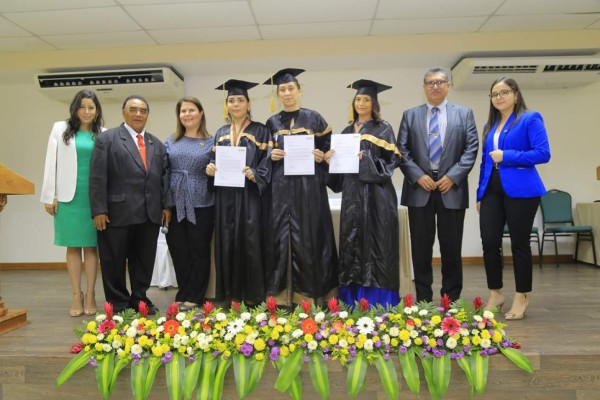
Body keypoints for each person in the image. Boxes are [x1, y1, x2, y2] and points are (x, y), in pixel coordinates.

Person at [397, 67, 479, 303]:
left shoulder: (464, 114)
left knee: (451, 247)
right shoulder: (410, 115)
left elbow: (471, 148)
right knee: (421, 248)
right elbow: (402, 150)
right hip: (419, 188)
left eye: (440, 82)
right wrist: (417, 175)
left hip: (451, 188)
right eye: (430, 83)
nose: (435, 86)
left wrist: (453, 176)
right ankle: (423, 299)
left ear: (448, 86)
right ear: (424, 87)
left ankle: (450, 298)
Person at [89, 95, 172, 314]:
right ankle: (118, 303)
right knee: (113, 260)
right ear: (124, 112)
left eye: (143, 110)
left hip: (149, 213)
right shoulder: (107, 139)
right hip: (116, 213)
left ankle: (139, 298)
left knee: (144, 260)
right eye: (133, 109)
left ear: (147, 115)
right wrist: (98, 209)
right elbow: (97, 177)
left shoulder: (156, 143)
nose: (138, 114)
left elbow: (163, 177)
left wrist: (166, 206)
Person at [477, 77, 550, 320]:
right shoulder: (490, 126)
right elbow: (485, 162)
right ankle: (495, 293)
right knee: (489, 242)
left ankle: (521, 295)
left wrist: (506, 155)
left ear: (516, 95)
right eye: (494, 94)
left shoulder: (530, 118)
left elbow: (542, 153)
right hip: (491, 190)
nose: (499, 97)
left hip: (522, 190)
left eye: (504, 92)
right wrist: (480, 193)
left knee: (519, 244)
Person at [263, 68, 338, 306]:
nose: (287, 93)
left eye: (291, 89)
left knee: (310, 237)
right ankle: (282, 297)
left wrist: (321, 155)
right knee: (280, 239)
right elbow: (262, 154)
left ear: (299, 91)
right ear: (277, 94)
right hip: (281, 190)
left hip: (309, 188)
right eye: (282, 90)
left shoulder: (314, 118)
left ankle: (312, 294)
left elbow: (330, 151)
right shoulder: (271, 122)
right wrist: (270, 155)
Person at [325, 79, 401, 307]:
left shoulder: (383, 128)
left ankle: (379, 301)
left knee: (377, 245)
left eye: (366, 99)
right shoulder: (346, 131)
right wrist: (330, 161)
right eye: (358, 99)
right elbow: (337, 178)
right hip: (351, 197)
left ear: (374, 103)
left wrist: (366, 159)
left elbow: (391, 164)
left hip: (377, 197)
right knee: (352, 244)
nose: (361, 102)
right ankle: (351, 299)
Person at [206, 80, 270, 304]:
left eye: (240, 100)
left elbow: (268, 164)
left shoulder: (261, 130)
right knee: (226, 243)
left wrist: (255, 173)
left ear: (248, 103)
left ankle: (252, 297)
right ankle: (228, 295)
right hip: (225, 198)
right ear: (226, 105)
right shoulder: (221, 133)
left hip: (250, 196)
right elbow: (213, 161)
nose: (235, 104)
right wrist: (210, 168)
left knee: (250, 243)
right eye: (231, 100)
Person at [40, 90, 104, 317]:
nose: (86, 111)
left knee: (91, 247)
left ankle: (91, 294)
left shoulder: (103, 134)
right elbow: (51, 163)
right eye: (82, 107)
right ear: (75, 108)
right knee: (73, 246)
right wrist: (50, 195)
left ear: (97, 111)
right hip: (68, 198)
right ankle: (76, 295)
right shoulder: (60, 129)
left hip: (94, 199)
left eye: (91, 107)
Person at [164, 97, 215, 311]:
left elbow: (218, 172)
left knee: (199, 250)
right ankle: (183, 291)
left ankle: (195, 295)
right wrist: (164, 204)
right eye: (183, 111)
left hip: (202, 204)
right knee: (178, 250)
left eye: (191, 110)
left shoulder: (212, 141)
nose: (187, 114)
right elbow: (163, 172)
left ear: (201, 113)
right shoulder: (170, 140)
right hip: (174, 204)